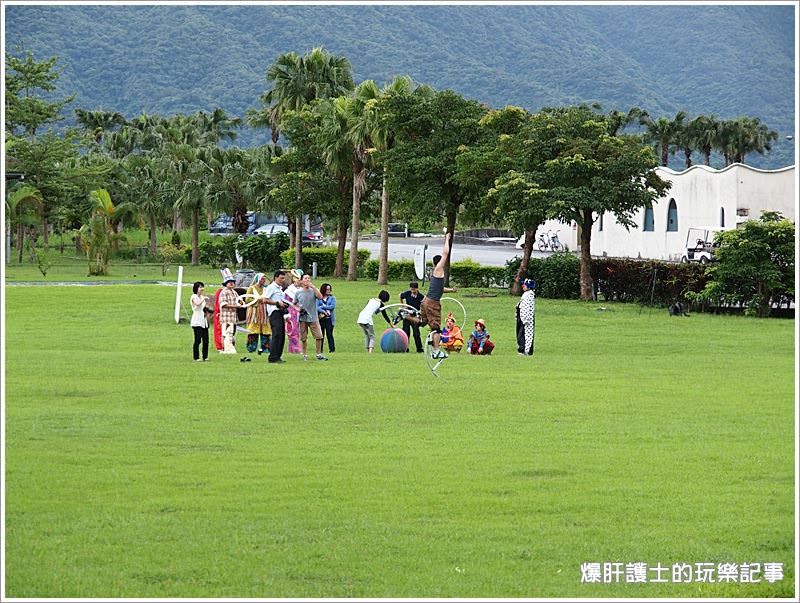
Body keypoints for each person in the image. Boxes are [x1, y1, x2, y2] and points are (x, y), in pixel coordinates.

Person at [401, 233, 457, 359]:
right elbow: (446, 254)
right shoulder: (438, 270)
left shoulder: (436, 275)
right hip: (432, 303)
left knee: (423, 322)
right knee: (436, 328)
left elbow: (440, 289)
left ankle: (405, 316)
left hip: (426, 301)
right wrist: (447, 239)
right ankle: (436, 351)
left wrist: (451, 290)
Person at [295, 274, 328, 361]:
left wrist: (313, 287)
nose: (307, 280)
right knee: (303, 338)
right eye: (305, 278)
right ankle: (305, 355)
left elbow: (320, 297)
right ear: (301, 281)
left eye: (309, 278)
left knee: (319, 336)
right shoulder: (298, 292)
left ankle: (318, 354)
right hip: (302, 318)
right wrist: (298, 309)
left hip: (313, 317)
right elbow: (294, 304)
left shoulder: (313, 291)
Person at [263, 270, 289, 364]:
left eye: (284, 278)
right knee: (276, 334)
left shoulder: (279, 288)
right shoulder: (271, 287)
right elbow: (265, 300)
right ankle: (273, 357)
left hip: (280, 312)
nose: (283, 280)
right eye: (281, 278)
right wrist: (277, 303)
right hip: (274, 313)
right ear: (275, 278)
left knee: (281, 335)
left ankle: (278, 356)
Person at [245, 272, 271, 356]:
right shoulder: (251, 288)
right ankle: (251, 348)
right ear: (258, 279)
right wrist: (257, 301)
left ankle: (265, 348)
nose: (264, 280)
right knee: (253, 330)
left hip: (264, 312)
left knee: (265, 331)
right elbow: (247, 299)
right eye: (262, 278)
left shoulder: (266, 289)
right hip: (254, 312)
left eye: (264, 279)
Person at [218, 272, 241, 354]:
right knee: (227, 333)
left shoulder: (234, 292)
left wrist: (241, 304)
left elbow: (240, 300)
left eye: (232, 282)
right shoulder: (224, 292)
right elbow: (223, 304)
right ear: (226, 283)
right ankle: (227, 349)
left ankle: (230, 348)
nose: (231, 283)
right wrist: (235, 306)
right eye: (229, 282)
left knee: (232, 333)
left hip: (233, 317)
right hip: (226, 317)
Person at [399, 281, 424, 353]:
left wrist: (420, 313)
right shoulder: (407, 293)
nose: (412, 291)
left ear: (417, 289)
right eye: (411, 289)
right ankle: (405, 348)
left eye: (414, 289)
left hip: (414, 317)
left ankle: (419, 349)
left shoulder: (421, 297)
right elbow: (400, 295)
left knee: (416, 333)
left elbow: (423, 306)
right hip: (407, 316)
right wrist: (403, 305)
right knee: (406, 333)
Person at [283, 269, 303, 354]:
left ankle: (292, 348)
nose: (299, 280)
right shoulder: (289, 290)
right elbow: (286, 301)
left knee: (299, 331)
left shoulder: (302, 289)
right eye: (297, 279)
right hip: (292, 312)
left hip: (300, 312)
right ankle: (296, 348)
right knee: (292, 330)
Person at [190, 281, 211, 362]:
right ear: (196, 288)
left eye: (202, 287)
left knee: (206, 340)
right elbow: (197, 304)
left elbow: (203, 308)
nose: (202, 289)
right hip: (197, 321)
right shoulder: (194, 296)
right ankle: (196, 357)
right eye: (200, 287)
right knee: (198, 340)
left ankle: (205, 356)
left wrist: (207, 314)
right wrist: (203, 299)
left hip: (204, 321)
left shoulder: (202, 297)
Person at [516, 278, 536, 356]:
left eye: (524, 285)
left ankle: (525, 350)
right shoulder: (526, 294)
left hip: (525, 319)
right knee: (520, 334)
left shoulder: (530, 295)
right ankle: (522, 349)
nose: (523, 286)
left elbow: (528, 308)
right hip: (521, 317)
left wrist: (526, 319)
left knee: (525, 334)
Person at [317, 283, 336, 353]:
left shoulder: (332, 298)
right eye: (327, 289)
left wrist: (322, 306)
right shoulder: (319, 298)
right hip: (321, 319)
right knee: (321, 335)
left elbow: (332, 306)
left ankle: (332, 349)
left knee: (330, 335)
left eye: (329, 289)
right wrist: (323, 311)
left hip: (329, 319)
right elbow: (316, 307)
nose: (329, 291)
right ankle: (320, 350)